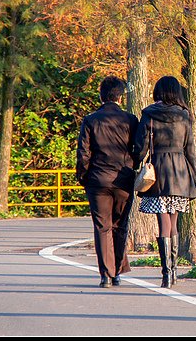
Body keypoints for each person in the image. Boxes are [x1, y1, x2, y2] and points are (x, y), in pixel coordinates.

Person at [133, 75, 196, 288]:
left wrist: (136, 161)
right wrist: (195, 177)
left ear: (158, 91)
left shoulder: (149, 114)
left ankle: (166, 274)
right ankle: (175, 272)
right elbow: (190, 149)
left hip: (159, 171)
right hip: (180, 171)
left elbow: (141, 146)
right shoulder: (185, 116)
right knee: (174, 222)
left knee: (162, 222)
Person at [76, 76, 139, 288]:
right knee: (120, 226)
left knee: (102, 227)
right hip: (124, 180)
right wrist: (133, 166)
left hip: (98, 180)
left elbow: (83, 153)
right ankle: (118, 272)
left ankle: (105, 275)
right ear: (120, 97)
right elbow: (137, 150)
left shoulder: (90, 120)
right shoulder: (130, 120)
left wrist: (83, 176)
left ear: (101, 95)